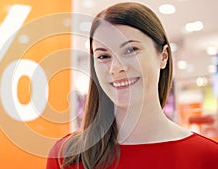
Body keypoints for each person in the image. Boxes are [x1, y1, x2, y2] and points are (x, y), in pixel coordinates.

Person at [46, 2, 218, 169]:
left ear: (163, 56)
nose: (116, 68)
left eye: (130, 50)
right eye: (103, 56)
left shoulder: (208, 157)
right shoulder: (66, 157)